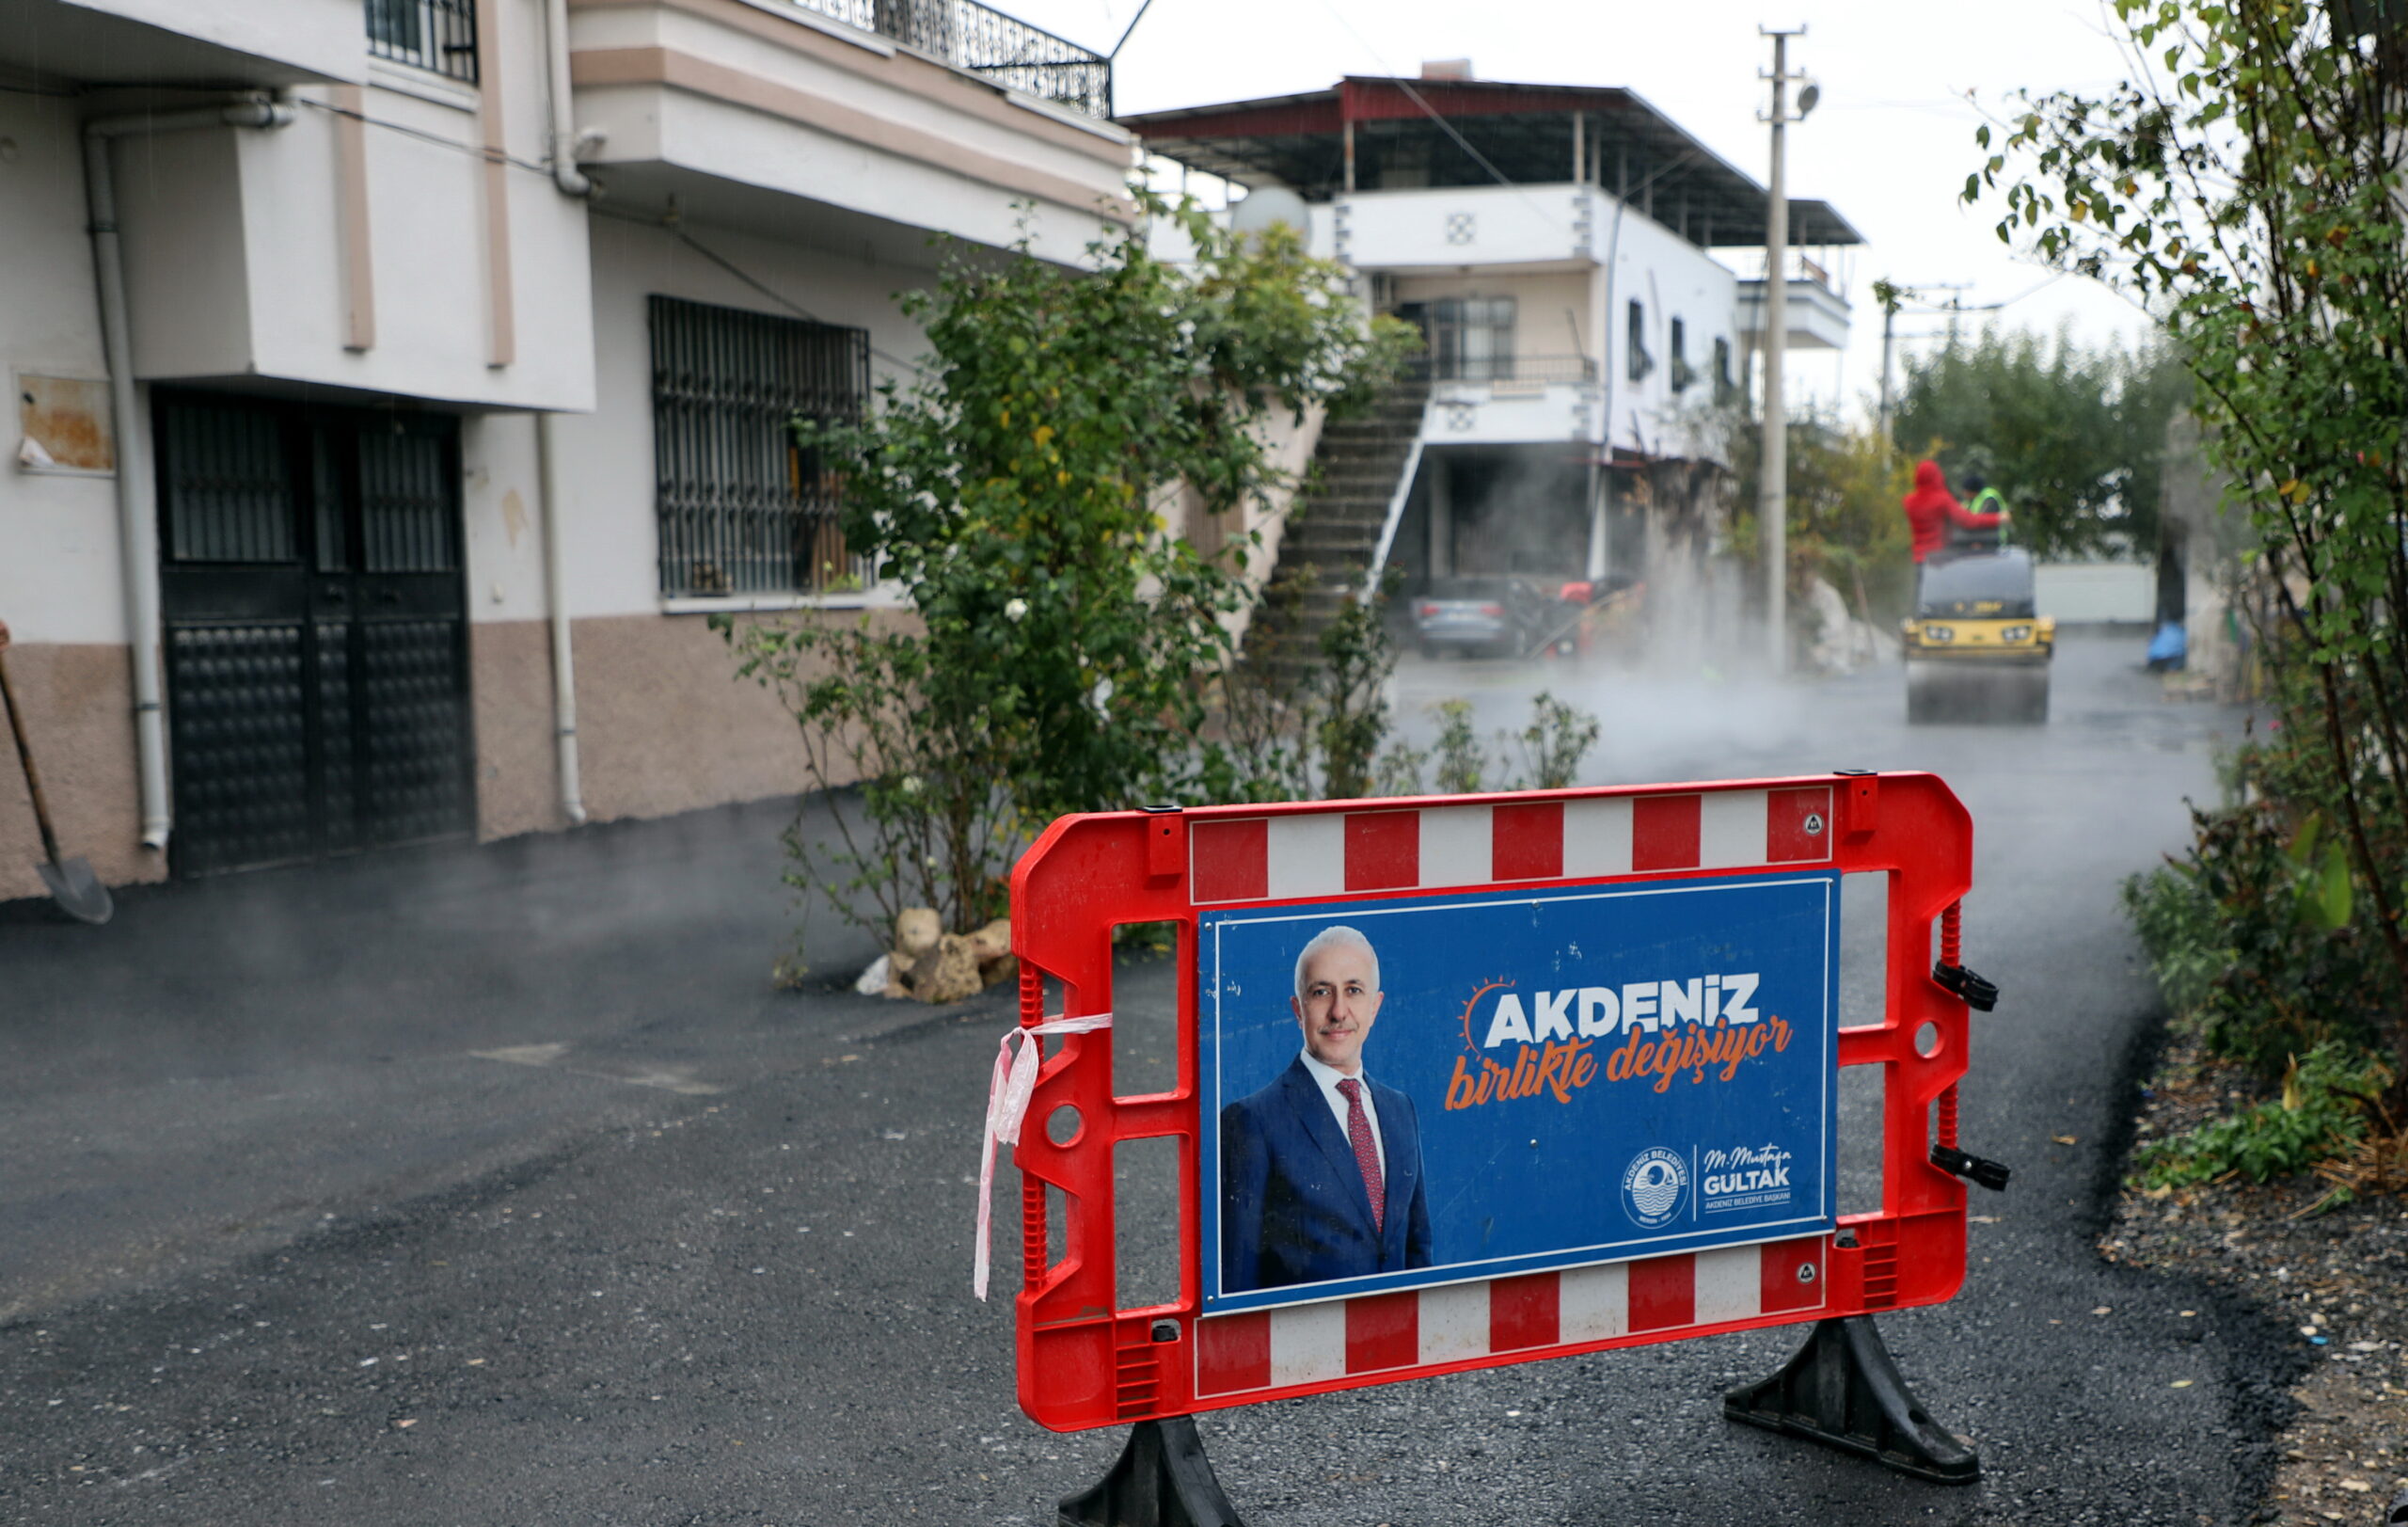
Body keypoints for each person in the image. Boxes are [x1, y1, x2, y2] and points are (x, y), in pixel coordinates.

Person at [1220, 926, 1433, 1294]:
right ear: (1298, 1010)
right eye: (1321, 993)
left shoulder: (1400, 1109)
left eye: (1353, 990)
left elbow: (1417, 1248)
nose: (1338, 1011)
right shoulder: (1253, 1120)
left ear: (1375, 1006)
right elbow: (1238, 1274)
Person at [1902, 459, 2006, 566]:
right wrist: (1997, 518)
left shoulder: (1909, 502)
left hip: (1920, 559)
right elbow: (1968, 521)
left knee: (1924, 582)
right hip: (1940, 557)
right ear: (1937, 476)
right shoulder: (1943, 500)